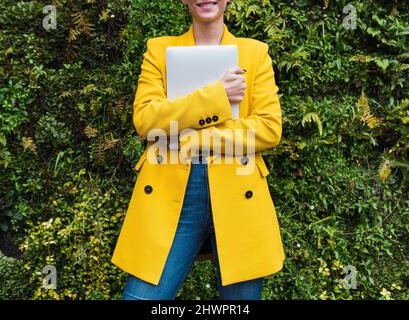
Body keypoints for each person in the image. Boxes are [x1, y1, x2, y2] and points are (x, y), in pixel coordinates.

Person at [111, 0, 285, 300]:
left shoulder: (255, 53)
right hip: (171, 194)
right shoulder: (159, 50)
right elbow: (146, 119)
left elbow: (269, 128)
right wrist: (218, 95)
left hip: (238, 195)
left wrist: (196, 139)